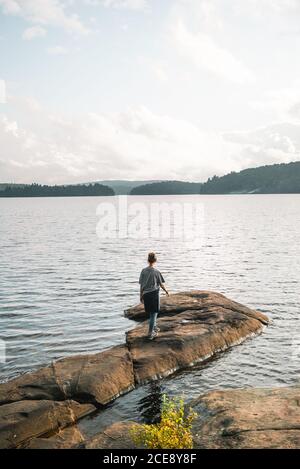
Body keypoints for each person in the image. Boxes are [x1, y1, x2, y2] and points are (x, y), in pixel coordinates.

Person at [139, 252, 169, 340]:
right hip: (154, 295)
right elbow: (160, 284)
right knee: (154, 313)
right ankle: (150, 333)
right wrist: (166, 291)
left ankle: (154, 327)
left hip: (146, 294)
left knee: (151, 313)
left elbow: (141, 285)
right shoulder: (156, 272)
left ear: (148, 260)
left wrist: (141, 295)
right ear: (155, 260)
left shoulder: (143, 271)